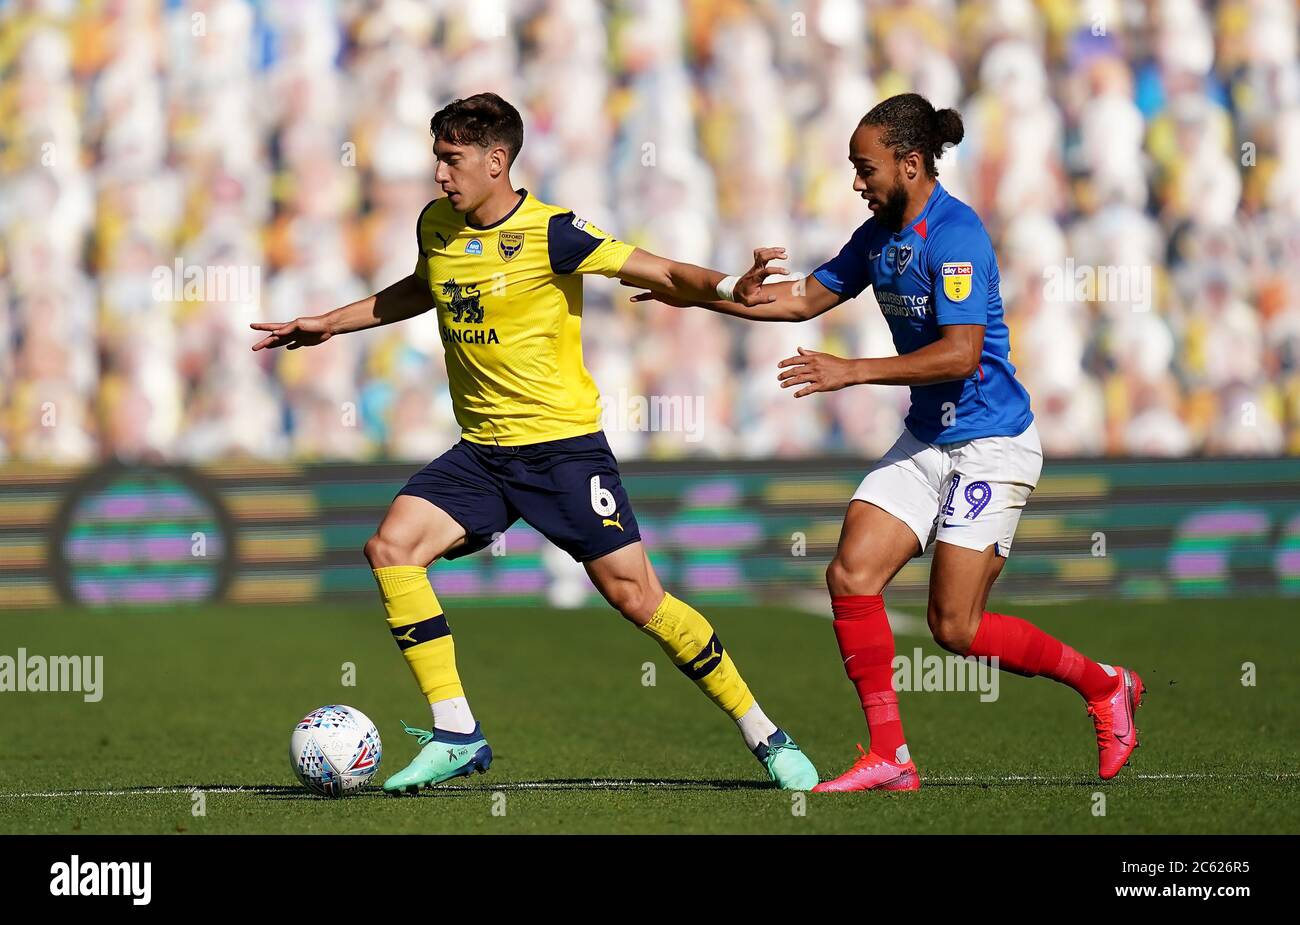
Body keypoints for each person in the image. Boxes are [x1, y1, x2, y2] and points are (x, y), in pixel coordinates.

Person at [252, 93, 818, 793]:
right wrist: (331, 323)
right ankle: (457, 731)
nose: (439, 174)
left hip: (562, 451)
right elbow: (424, 288)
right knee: (391, 548)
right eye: (436, 159)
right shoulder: (436, 224)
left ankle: (765, 734)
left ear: (497, 161)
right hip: (482, 453)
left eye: (452, 160)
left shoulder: (554, 232)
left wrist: (731, 284)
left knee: (639, 598)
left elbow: (664, 272)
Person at [633, 93, 1144, 792]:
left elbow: (962, 353)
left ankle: (1107, 684)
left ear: (910, 164)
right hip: (928, 437)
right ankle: (891, 756)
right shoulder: (877, 236)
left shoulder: (956, 235)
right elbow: (801, 299)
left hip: (991, 442)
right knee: (851, 574)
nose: (856, 182)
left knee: (955, 628)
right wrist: (698, 292)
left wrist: (852, 371)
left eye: (864, 167)